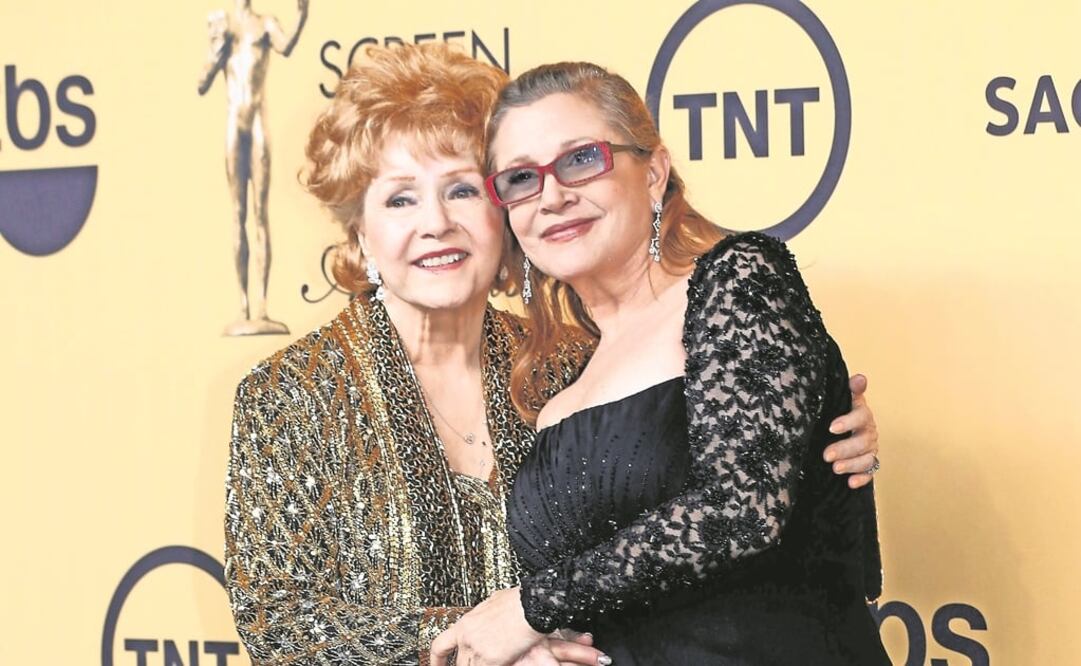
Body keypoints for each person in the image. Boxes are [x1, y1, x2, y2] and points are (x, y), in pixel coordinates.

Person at [224, 45, 881, 666]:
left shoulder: (565, 360)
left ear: (500, 216)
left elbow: (724, 495)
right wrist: (483, 640)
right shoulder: (292, 393)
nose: (435, 223)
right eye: (399, 198)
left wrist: (824, 437)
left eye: (461, 190)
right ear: (358, 232)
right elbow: (276, 616)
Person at [432, 62, 888, 665]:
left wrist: (530, 609)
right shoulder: (559, 386)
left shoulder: (737, 280)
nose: (553, 195)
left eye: (581, 159)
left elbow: (741, 511)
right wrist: (546, 644)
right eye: (521, 178)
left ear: (653, 173)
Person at [198, 0, 308, 336]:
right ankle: (243, 306)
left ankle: (261, 307)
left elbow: (286, 46)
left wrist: (302, 15)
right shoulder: (223, 29)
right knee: (238, 213)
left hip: (258, 122)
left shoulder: (265, 24)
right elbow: (202, 83)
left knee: (260, 214)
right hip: (235, 125)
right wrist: (216, 52)